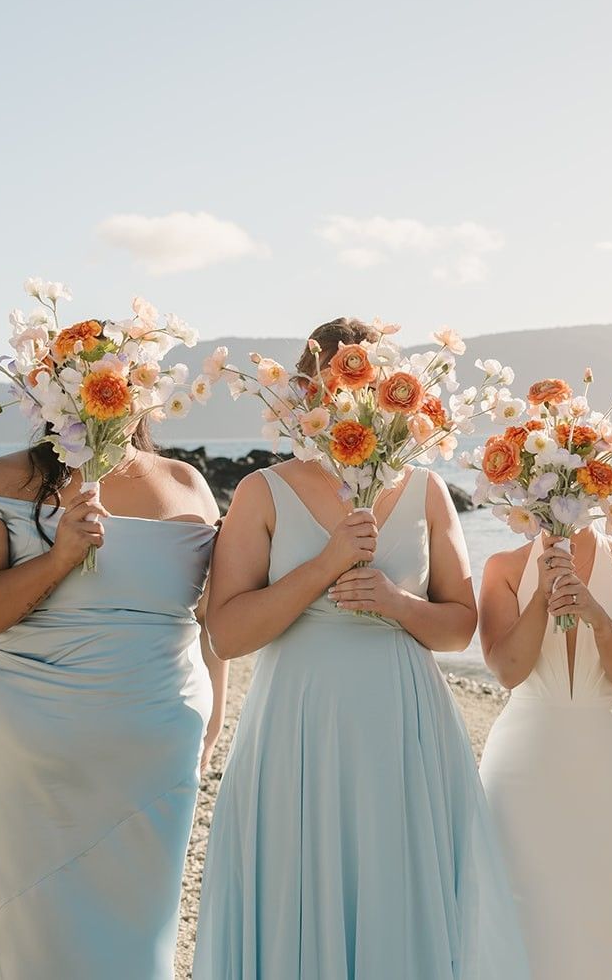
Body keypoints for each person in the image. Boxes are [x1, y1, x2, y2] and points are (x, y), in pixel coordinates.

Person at [192, 318, 529, 980]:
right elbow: (226, 633)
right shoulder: (263, 491)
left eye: (365, 380)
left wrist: (395, 603)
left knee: (397, 893)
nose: (348, 398)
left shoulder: (428, 490)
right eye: (335, 382)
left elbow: (459, 625)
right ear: (305, 391)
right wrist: (325, 565)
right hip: (299, 729)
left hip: (405, 733)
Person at [0, 423, 222, 978]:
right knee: (32, 933)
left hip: (156, 753)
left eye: (128, 372)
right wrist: (57, 559)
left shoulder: (186, 483)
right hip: (27, 752)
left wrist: (213, 720)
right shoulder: (2, 482)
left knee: (140, 931)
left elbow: (209, 619)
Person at [476, 527, 612, 979]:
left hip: (610, 765)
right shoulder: (503, 567)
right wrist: (541, 596)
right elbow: (509, 671)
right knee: (521, 917)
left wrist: (597, 615)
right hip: (524, 767)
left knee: (606, 919)